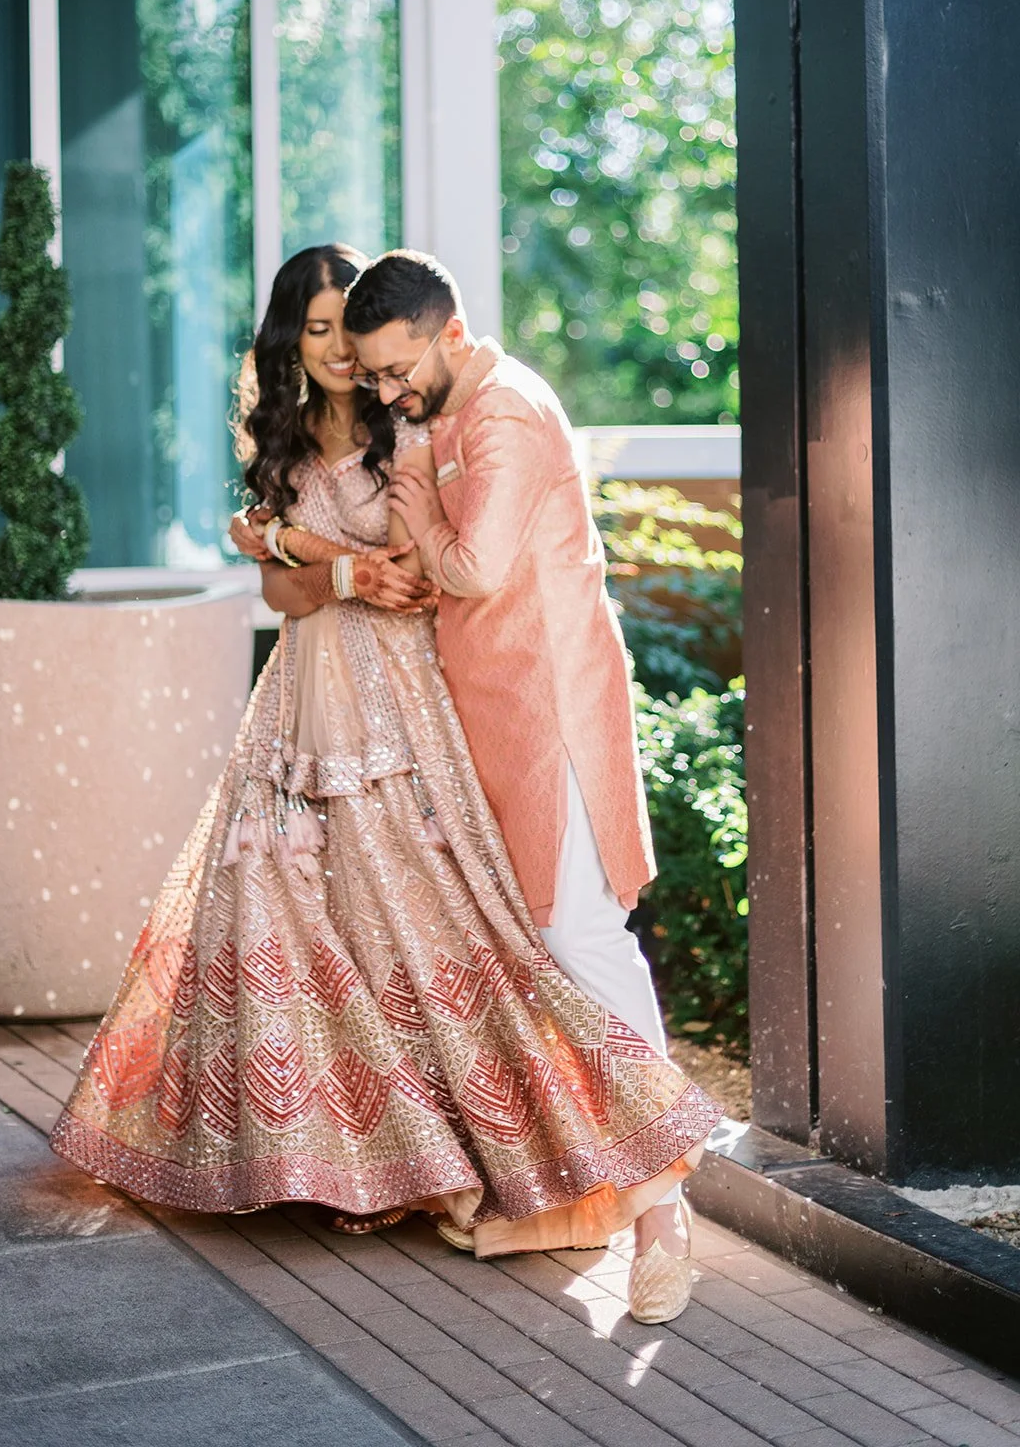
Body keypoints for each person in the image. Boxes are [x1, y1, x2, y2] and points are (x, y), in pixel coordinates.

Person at [50, 243, 720, 1306]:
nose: (344, 363)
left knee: (479, 925)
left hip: (427, 695)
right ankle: (388, 1159)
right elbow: (279, 589)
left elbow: (436, 569)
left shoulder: (419, 421)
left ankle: (627, 1169)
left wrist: (326, 553)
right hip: (312, 695)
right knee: (320, 920)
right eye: (317, 336)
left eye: (351, 342)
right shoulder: (297, 432)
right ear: (291, 340)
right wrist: (305, 553)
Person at [344, 249, 701, 1320]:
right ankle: (591, 1193)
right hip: (495, 726)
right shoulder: (446, 414)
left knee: (584, 942)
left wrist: (411, 490)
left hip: (552, 723)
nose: (388, 391)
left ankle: (664, 1213)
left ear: (452, 332)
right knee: (541, 953)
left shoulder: (500, 415)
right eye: (372, 374)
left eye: (400, 367)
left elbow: (477, 568)